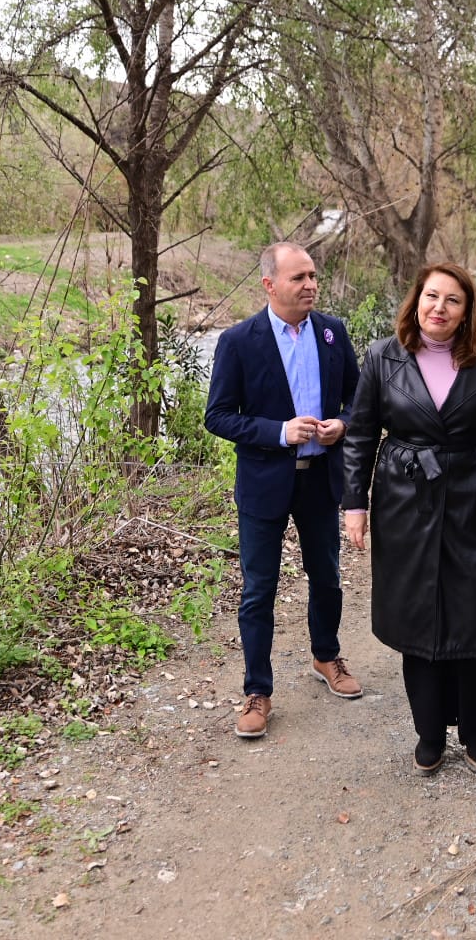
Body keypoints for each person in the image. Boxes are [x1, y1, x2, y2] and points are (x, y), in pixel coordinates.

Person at [343, 263, 476, 776]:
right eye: (431, 297)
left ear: (468, 312)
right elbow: (359, 436)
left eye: (452, 301)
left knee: (470, 611)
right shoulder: (382, 356)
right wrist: (355, 504)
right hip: (405, 500)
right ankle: (428, 731)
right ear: (416, 300)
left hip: (473, 498)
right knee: (416, 611)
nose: (439, 308)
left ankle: (472, 728)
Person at [204, 242, 363, 739]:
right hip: (264, 483)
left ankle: (326, 656)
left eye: (313, 275)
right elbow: (218, 416)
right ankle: (258, 691)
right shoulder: (238, 341)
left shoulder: (334, 333)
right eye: (299, 278)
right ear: (270, 285)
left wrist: (343, 423)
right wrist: (279, 431)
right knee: (259, 591)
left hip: (320, 479)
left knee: (328, 576)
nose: (310, 285)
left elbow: (360, 400)